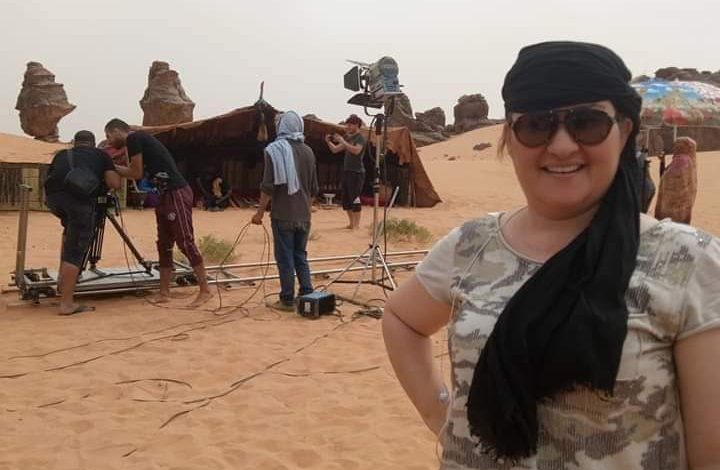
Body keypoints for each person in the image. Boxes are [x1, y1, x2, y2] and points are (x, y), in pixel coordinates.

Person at [382, 42, 720, 469]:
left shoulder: (690, 262)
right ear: (510, 138)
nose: (561, 146)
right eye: (536, 125)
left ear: (624, 132)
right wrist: (443, 416)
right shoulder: (471, 244)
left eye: (587, 123)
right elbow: (402, 319)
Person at [104, 119, 211, 307]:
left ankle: (205, 290)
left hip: (175, 192)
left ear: (116, 131)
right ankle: (164, 291)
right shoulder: (136, 142)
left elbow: (136, 172)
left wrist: (108, 168)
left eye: (109, 136)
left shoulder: (134, 138)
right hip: (164, 193)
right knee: (164, 243)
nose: (109, 141)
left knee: (185, 241)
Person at [44, 130, 121, 315]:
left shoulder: (62, 154)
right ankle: (66, 304)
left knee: (69, 235)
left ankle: (62, 285)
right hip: (79, 202)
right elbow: (114, 183)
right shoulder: (101, 155)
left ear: (75, 142)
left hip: (54, 201)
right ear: (93, 143)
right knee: (75, 250)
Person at [251, 111, 319, 311]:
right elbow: (314, 188)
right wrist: (306, 209)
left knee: (285, 258)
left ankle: (287, 299)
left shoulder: (274, 150)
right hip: (304, 215)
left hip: (283, 214)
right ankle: (307, 295)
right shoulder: (309, 151)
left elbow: (267, 186)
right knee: (300, 256)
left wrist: (259, 213)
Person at [325, 114, 366, 229]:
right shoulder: (348, 138)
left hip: (357, 172)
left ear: (356, 125)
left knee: (355, 197)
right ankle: (351, 223)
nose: (347, 127)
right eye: (347, 125)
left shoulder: (360, 138)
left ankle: (356, 224)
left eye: (350, 125)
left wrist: (342, 141)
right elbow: (335, 150)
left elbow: (356, 151)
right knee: (346, 198)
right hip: (347, 171)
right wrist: (328, 142)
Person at [655, 137, 698, 224]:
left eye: (677, 146)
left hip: (673, 210)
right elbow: (664, 176)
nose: (674, 148)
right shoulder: (688, 162)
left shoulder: (681, 161)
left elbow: (667, 179)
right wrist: (662, 162)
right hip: (683, 208)